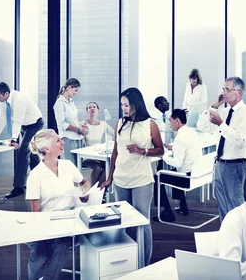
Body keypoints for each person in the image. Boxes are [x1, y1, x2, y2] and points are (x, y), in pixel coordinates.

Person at [100, 87, 164, 266]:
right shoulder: (120, 123)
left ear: (136, 104)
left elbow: (160, 151)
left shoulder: (150, 124)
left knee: (142, 222)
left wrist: (142, 150)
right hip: (121, 180)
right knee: (125, 222)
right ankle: (130, 261)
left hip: (141, 180)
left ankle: (144, 263)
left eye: (127, 105)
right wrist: (110, 177)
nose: (124, 109)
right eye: (122, 105)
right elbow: (115, 152)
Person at [25, 129, 90, 280]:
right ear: (47, 149)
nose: (63, 143)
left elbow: (84, 182)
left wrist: (85, 192)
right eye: (58, 141)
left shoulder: (68, 166)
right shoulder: (35, 176)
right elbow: (35, 214)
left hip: (67, 223)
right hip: (43, 226)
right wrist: (46, 236)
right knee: (39, 259)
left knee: (60, 248)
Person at [197, 76, 246, 221]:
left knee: (237, 206)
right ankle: (228, 235)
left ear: (239, 92)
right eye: (223, 89)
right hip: (220, 165)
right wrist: (215, 106)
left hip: (236, 166)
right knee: (223, 205)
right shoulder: (223, 112)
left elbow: (241, 140)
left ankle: (242, 238)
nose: (224, 92)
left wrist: (221, 124)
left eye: (227, 89)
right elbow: (202, 126)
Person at [0, 82, 44, 199]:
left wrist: (14, 139)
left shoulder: (18, 99)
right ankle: (41, 183)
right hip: (25, 126)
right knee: (33, 156)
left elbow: (17, 120)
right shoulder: (4, 101)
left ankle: (18, 187)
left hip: (35, 125)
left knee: (22, 154)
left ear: (6, 93)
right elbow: (2, 117)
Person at [152, 109, 200, 223]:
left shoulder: (180, 138)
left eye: (170, 121)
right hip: (194, 174)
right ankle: (183, 207)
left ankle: (168, 212)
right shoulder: (191, 132)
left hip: (186, 179)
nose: (169, 123)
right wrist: (173, 147)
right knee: (175, 171)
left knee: (157, 178)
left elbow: (177, 162)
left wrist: (163, 157)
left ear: (177, 121)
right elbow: (187, 147)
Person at [53, 78, 86, 162]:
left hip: (78, 138)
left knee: (79, 168)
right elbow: (61, 124)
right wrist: (77, 129)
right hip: (68, 139)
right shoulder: (59, 103)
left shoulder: (71, 101)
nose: (76, 93)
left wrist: (80, 126)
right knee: (71, 167)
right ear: (69, 88)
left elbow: (73, 119)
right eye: (75, 90)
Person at [82, 102, 114, 186]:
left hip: (99, 153)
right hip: (86, 155)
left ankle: (100, 190)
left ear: (98, 110)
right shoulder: (82, 124)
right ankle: (95, 191)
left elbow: (115, 134)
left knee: (110, 166)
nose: (92, 108)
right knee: (97, 167)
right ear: (87, 111)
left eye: (94, 107)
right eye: (89, 107)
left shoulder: (103, 124)